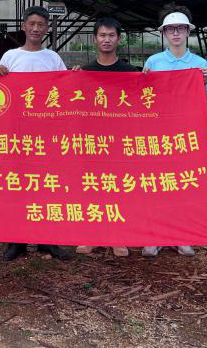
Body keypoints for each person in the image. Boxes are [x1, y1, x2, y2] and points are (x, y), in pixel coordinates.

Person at [0, 6, 70, 262]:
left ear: (47, 29)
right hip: (17, 133)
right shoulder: (10, 56)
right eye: (32, 24)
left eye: (41, 25)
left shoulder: (53, 58)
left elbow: (65, 88)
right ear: (24, 26)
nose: (36, 28)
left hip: (46, 133)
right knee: (17, 186)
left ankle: (47, 241)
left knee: (46, 186)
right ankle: (16, 241)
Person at [141, 4, 207, 259]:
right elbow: (145, 97)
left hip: (187, 132)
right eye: (170, 29)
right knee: (158, 183)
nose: (176, 34)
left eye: (180, 28)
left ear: (188, 31)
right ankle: (156, 235)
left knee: (184, 183)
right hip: (159, 131)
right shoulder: (154, 62)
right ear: (163, 33)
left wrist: (203, 82)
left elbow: (206, 97)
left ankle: (183, 235)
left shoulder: (200, 64)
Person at [73, 16, 134, 258]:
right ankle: (91, 235)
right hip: (92, 140)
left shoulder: (130, 72)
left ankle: (118, 236)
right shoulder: (85, 72)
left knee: (117, 187)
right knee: (92, 186)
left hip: (119, 141)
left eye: (111, 35)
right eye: (102, 35)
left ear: (119, 39)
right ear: (94, 39)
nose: (106, 40)